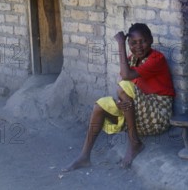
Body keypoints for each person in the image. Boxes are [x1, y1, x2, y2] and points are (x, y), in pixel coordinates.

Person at [63, 23, 175, 171]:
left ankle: (134, 142)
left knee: (124, 85)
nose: (139, 46)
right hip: (140, 116)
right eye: (133, 43)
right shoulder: (131, 60)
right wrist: (119, 103)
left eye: (143, 41)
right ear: (130, 44)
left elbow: (126, 77)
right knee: (100, 105)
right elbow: (124, 86)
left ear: (151, 40)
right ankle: (84, 156)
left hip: (158, 116)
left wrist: (120, 44)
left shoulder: (157, 59)